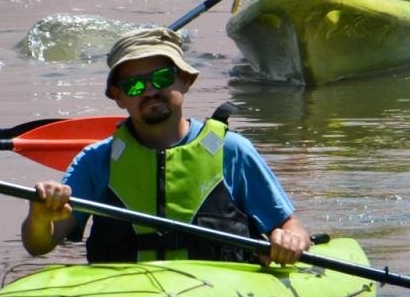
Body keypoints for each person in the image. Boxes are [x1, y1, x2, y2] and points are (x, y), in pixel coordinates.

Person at [21, 27, 312, 266]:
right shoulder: (96, 161)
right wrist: (39, 215)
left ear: (184, 80)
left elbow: (291, 227)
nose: (149, 91)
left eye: (161, 78)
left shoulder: (232, 151)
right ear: (118, 96)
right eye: (134, 86)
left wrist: (290, 239)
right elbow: (39, 245)